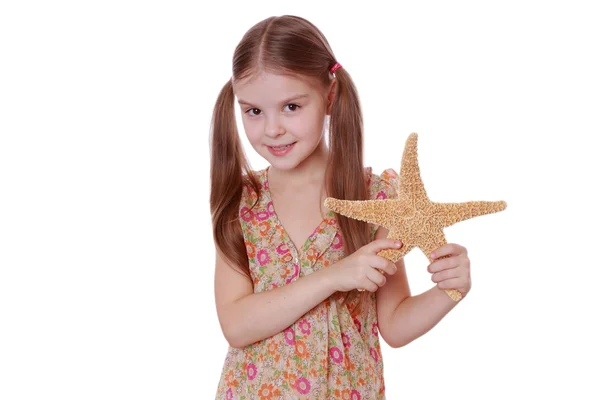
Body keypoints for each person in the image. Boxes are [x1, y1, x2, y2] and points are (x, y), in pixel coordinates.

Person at [209, 15, 472, 400]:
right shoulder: (242, 201)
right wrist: (334, 275)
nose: (272, 129)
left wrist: (449, 291)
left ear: (329, 97)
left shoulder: (379, 199)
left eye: (291, 107)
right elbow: (236, 324)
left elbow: (395, 324)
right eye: (254, 111)